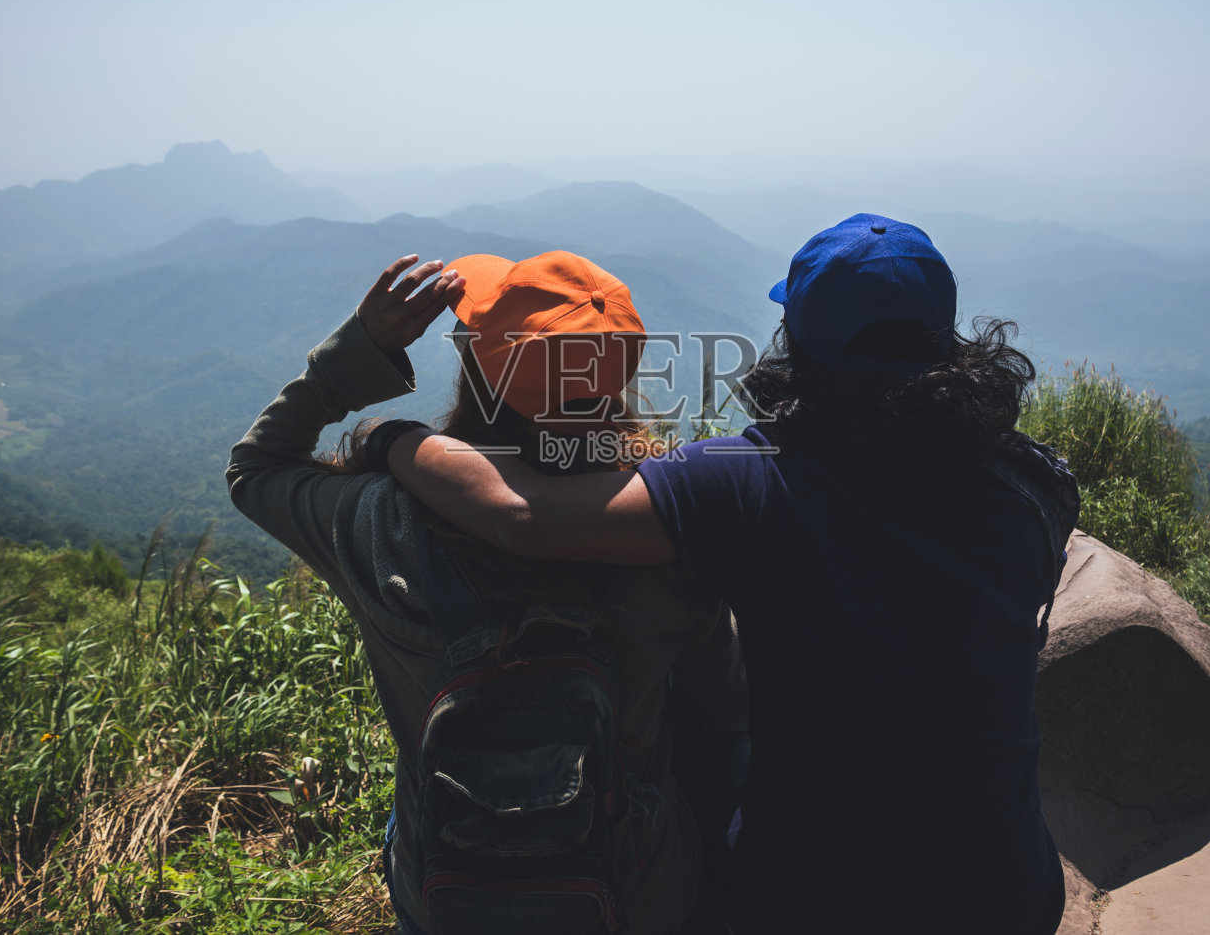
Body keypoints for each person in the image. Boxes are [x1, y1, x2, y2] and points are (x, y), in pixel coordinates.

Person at [379, 215, 1079, 934]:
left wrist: (392, 437)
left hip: (814, 894)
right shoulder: (1037, 486)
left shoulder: (745, 482)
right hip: (1007, 890)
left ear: (801, 344)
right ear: (946, 336)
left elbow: (524, 517)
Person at [227, 250, 746, 935]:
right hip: (638, 894)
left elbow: (256, 468)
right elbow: (727, 714)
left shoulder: (383, 524)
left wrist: (359, 355)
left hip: (449, 890)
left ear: (475, 377)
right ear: (619, 379)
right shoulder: (667, 531)